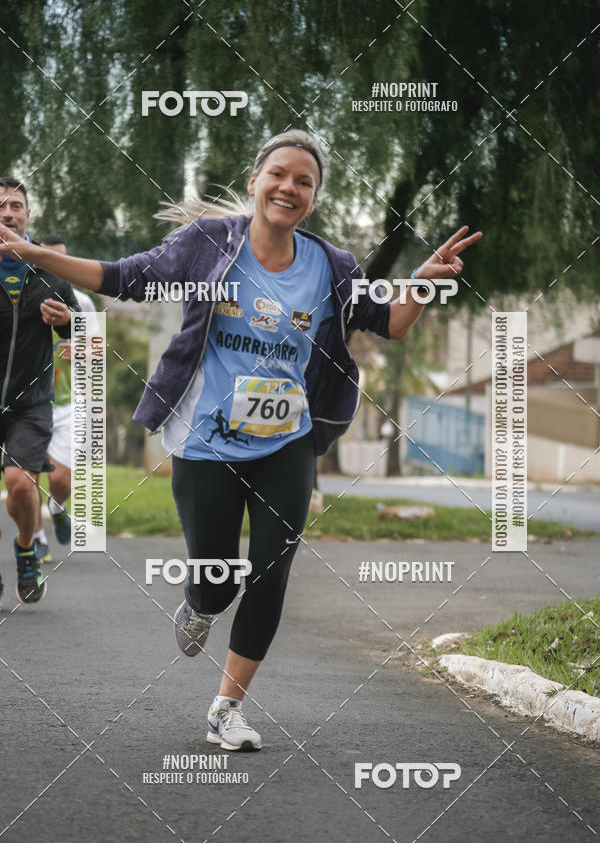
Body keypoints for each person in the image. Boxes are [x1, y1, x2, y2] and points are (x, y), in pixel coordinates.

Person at [0, 132, 481, 749]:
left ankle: (227, 708)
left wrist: (422, 283)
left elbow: (388, 322)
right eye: (278, 174)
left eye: (304, 181)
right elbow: (122, 278)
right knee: (218, 580)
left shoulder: (332, 266)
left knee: (272, 571)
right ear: (256, 182)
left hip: (287, 441)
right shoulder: (207, 245)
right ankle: (202, 602)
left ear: (313, 199)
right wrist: (36, 255)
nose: (289, 187)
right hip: (205, 442)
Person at [0, 179, 80, 607]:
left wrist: (67, 321)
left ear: (28, 215)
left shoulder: (51, 272)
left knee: (20, 484)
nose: (8, 213)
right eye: (0, 206)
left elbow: (80, 332)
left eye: (16, 205)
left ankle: (26, 548)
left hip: (30, 403)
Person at [32, 235, 100, 562]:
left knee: (61, 480)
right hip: (28, 402)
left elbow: (98, 348)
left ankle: (57, 507)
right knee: (25, 477)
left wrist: (83, 350)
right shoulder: (21, 294)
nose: (58, 267)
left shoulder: (81, 303)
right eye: (50, 259)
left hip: (67, 402)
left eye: (63, 260)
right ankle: (35, 540)